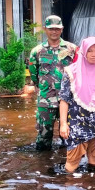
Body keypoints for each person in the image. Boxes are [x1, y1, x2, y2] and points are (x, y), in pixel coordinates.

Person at [57, 37, 95, 173]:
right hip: (77, 126)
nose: (94, 54)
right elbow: (64, 99)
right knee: (71, 164)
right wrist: (63, 124)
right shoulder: (71, 72)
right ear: (84, 52)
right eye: (90, 51)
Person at [28, 15, 77, 151]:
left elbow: (79, 71)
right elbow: (34, 73)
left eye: (57, 29)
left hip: (68, 100)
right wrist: (44, 87)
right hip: (46, 100)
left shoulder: (72, 49)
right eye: (51, 29)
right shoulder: (37, 52)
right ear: (45, 29)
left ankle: (68, 168)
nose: (54, 31)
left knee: (69, 137)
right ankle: (43, 168)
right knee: (43, 138)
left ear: (62, 29)